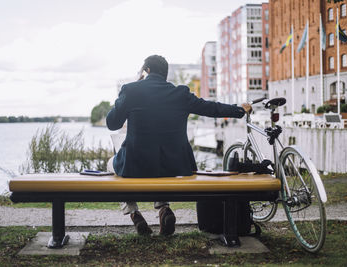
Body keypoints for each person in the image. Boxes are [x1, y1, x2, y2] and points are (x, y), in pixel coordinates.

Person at [106, 55, 251, 236]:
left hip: (136, 167)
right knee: (160, 164)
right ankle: (164, 209)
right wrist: (239, 110)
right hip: (174, 168)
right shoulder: (180, 94)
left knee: (111, 163)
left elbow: (112, 123)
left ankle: (134, 214)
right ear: (165, 74)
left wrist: (130, 91)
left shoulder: (131, 90)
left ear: (147, 71)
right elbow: (211, 108)